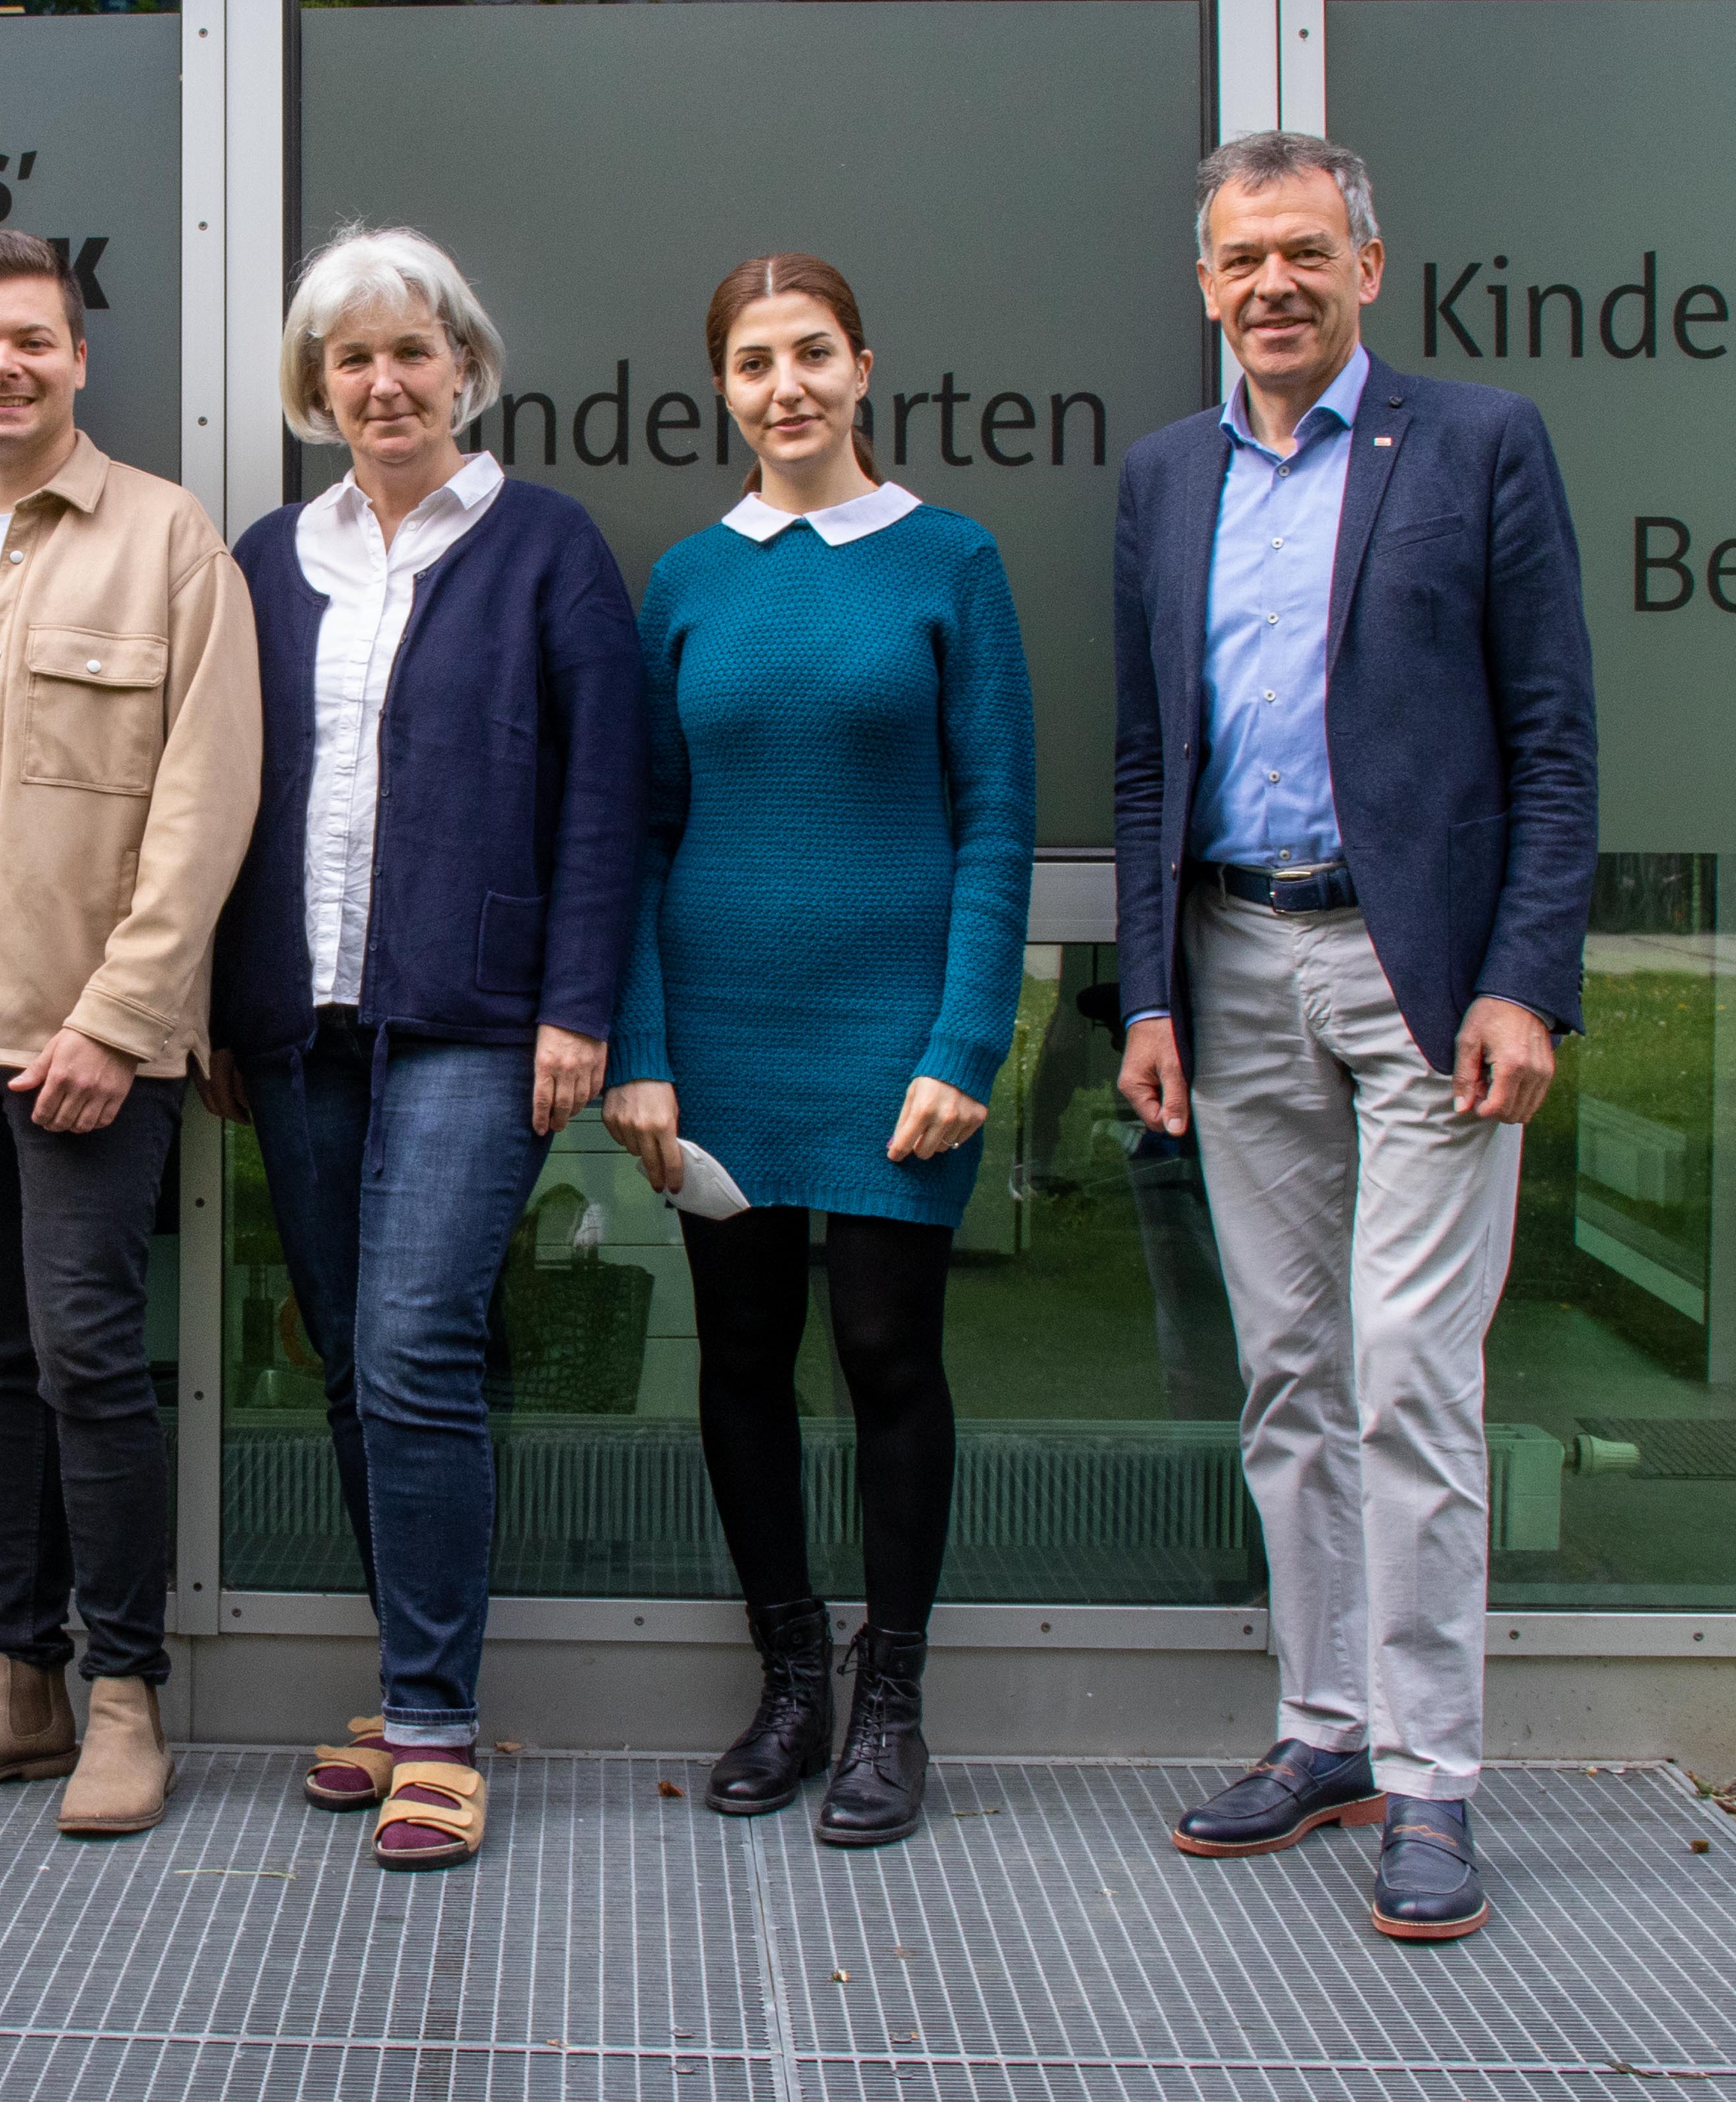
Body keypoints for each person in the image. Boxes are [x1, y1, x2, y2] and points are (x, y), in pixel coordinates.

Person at [1113, 131, 1596, 1943]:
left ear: (1371, 268)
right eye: (1243, 260)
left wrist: (1523, 978)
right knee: (1291, 1371)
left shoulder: (1477, 446)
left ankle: (1435, 1778)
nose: (1274, 287)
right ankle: (1324, 1729)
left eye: (1307, 253)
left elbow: (1554, 740)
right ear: (1207, 285)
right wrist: (1150, 994)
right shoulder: (1169, 480)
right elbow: (1151, 756)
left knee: (1412, 1375)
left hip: (1424, 978)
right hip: (1234, 959)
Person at [205, 224, 643, 1871]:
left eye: (412, 350)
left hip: (475, 1017)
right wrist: (209, 1001)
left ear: (465, 360)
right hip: (295, 1016)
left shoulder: (546, 547)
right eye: (351, 359)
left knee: (412, 1346)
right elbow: (219, 795)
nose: (385, 383)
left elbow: (608, 795)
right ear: (316, 388)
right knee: (346, 1359)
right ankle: (406, 1689)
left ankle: (443, 1725)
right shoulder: (267, 557)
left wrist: (580, 1004)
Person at [604, 253, 1035, 1853]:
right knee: (737, 1356)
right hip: (716, 1036)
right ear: (721, 386)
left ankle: (894, 1698)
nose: (784, 385)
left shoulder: (951, 561)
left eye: (811, 354)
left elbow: (997, 820)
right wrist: (640, 1048)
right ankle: (789, 1677)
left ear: (864, 366)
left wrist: (968, 1039)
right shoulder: (688, 581)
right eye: (752, 361)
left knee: (886, 1353)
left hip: (894, 1037)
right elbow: (638, 837)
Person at [0, 230, 258, 1838]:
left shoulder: (168, 539)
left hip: (86, 1035)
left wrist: (122, 1015)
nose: (2, 365)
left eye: (33, 339)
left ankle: (123, 1693)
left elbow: (205, 802)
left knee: (93, 1357)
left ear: (80, 359)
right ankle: (12, 1682)